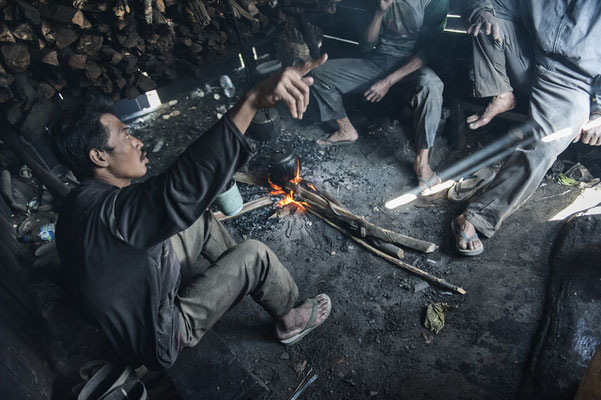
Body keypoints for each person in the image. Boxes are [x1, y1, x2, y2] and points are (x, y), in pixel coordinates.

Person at [49, 55, 333, 370]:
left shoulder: (80, 199)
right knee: (256, 255)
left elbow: (174, 200)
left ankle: (236, 274)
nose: (138, 141)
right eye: (127, 136)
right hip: (159, 337)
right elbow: (177, 189)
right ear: (99, 156)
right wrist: (251, 101)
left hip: (137, 297)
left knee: (197, 217)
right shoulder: (112, 215)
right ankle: (288, 319)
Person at [452, 0, 601, 256]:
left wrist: (599, 111)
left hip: (573, 83)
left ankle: (478, 217)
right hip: (528, 54)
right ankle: (501, 93)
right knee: (486, 19)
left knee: (545, 143)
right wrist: (484, 12)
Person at [311, 0, 448, 194]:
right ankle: (345, 130)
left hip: (411, 66)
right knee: (318, 74)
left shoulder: (435, 2)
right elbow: (366, 45)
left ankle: (422, 163)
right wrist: (380, 11)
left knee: (432, 85)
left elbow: (428, 52)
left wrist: (388, 81)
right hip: (378, 62)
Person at [463, 0, 532, 130]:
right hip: (523, 61)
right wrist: (482, 12)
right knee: (485, 25)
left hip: (561, 74)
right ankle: (502, 95)